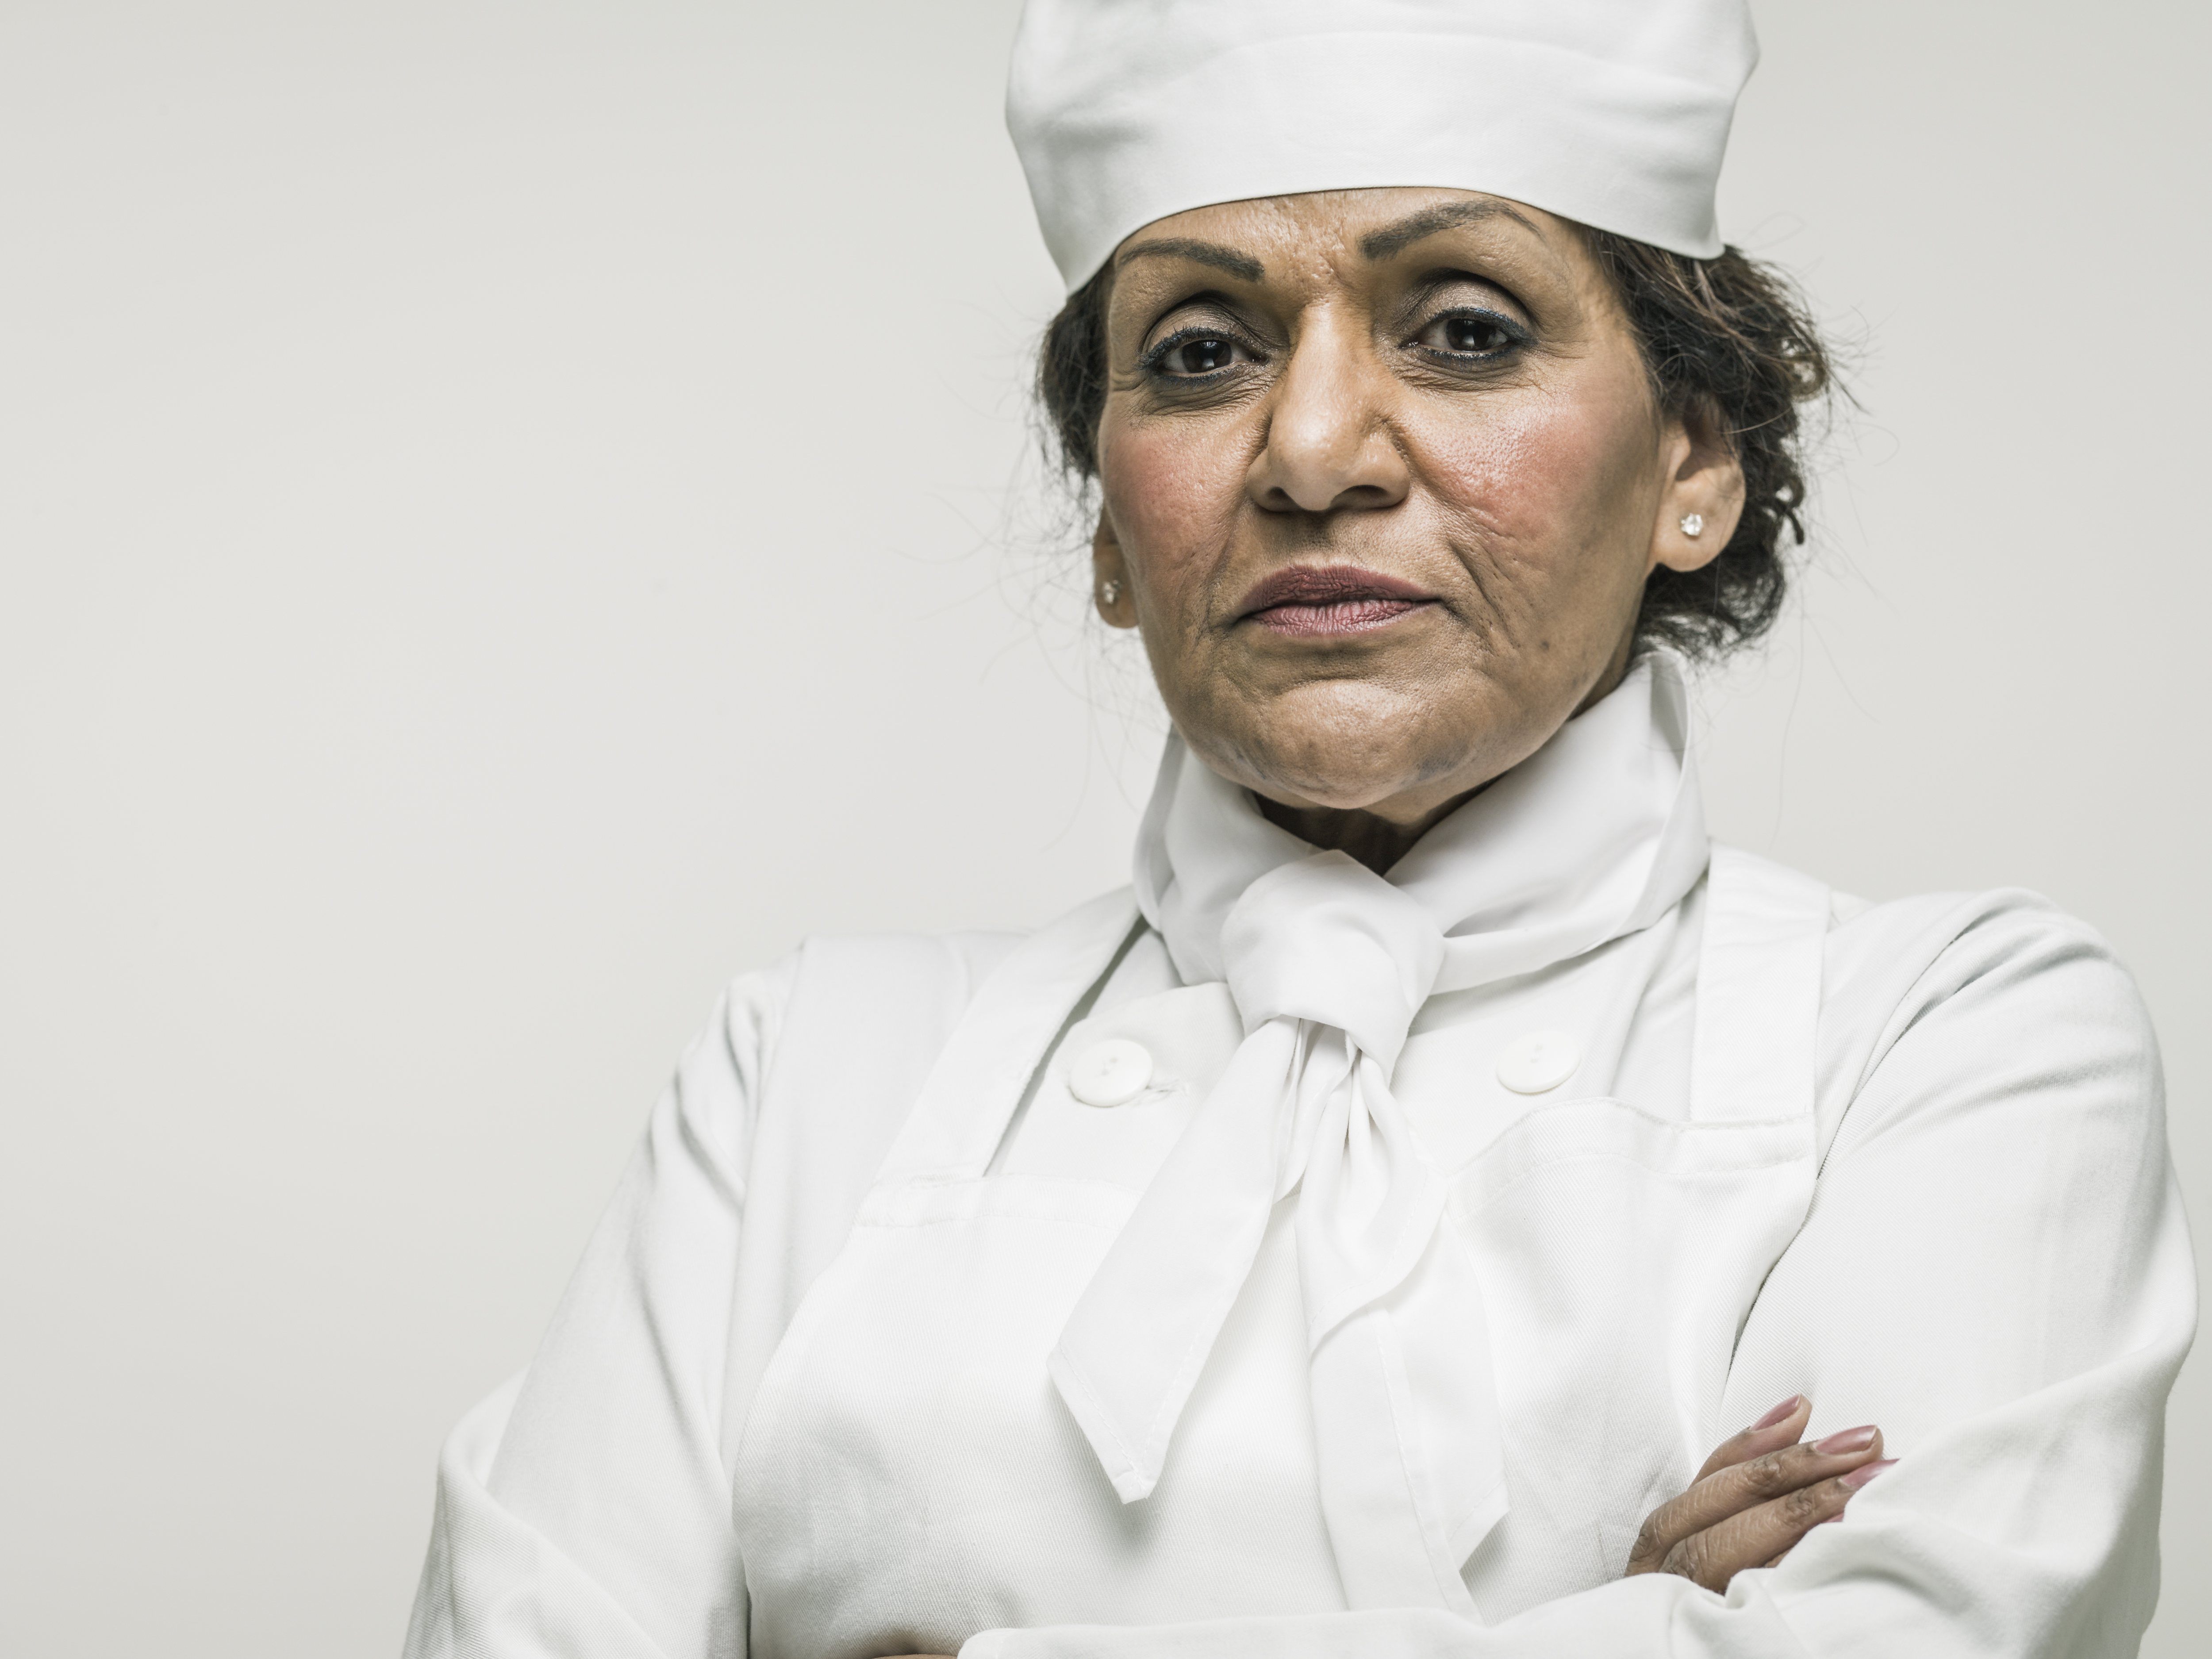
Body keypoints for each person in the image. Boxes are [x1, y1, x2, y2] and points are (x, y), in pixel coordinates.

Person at [402, 2, 2196, 1655]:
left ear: (1690, 465)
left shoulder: (1948, 1033)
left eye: (1466, 332)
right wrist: (1623, 1617)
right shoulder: (803, 1074)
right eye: (1196, 351)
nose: (1315, 446)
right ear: (1108, 525)